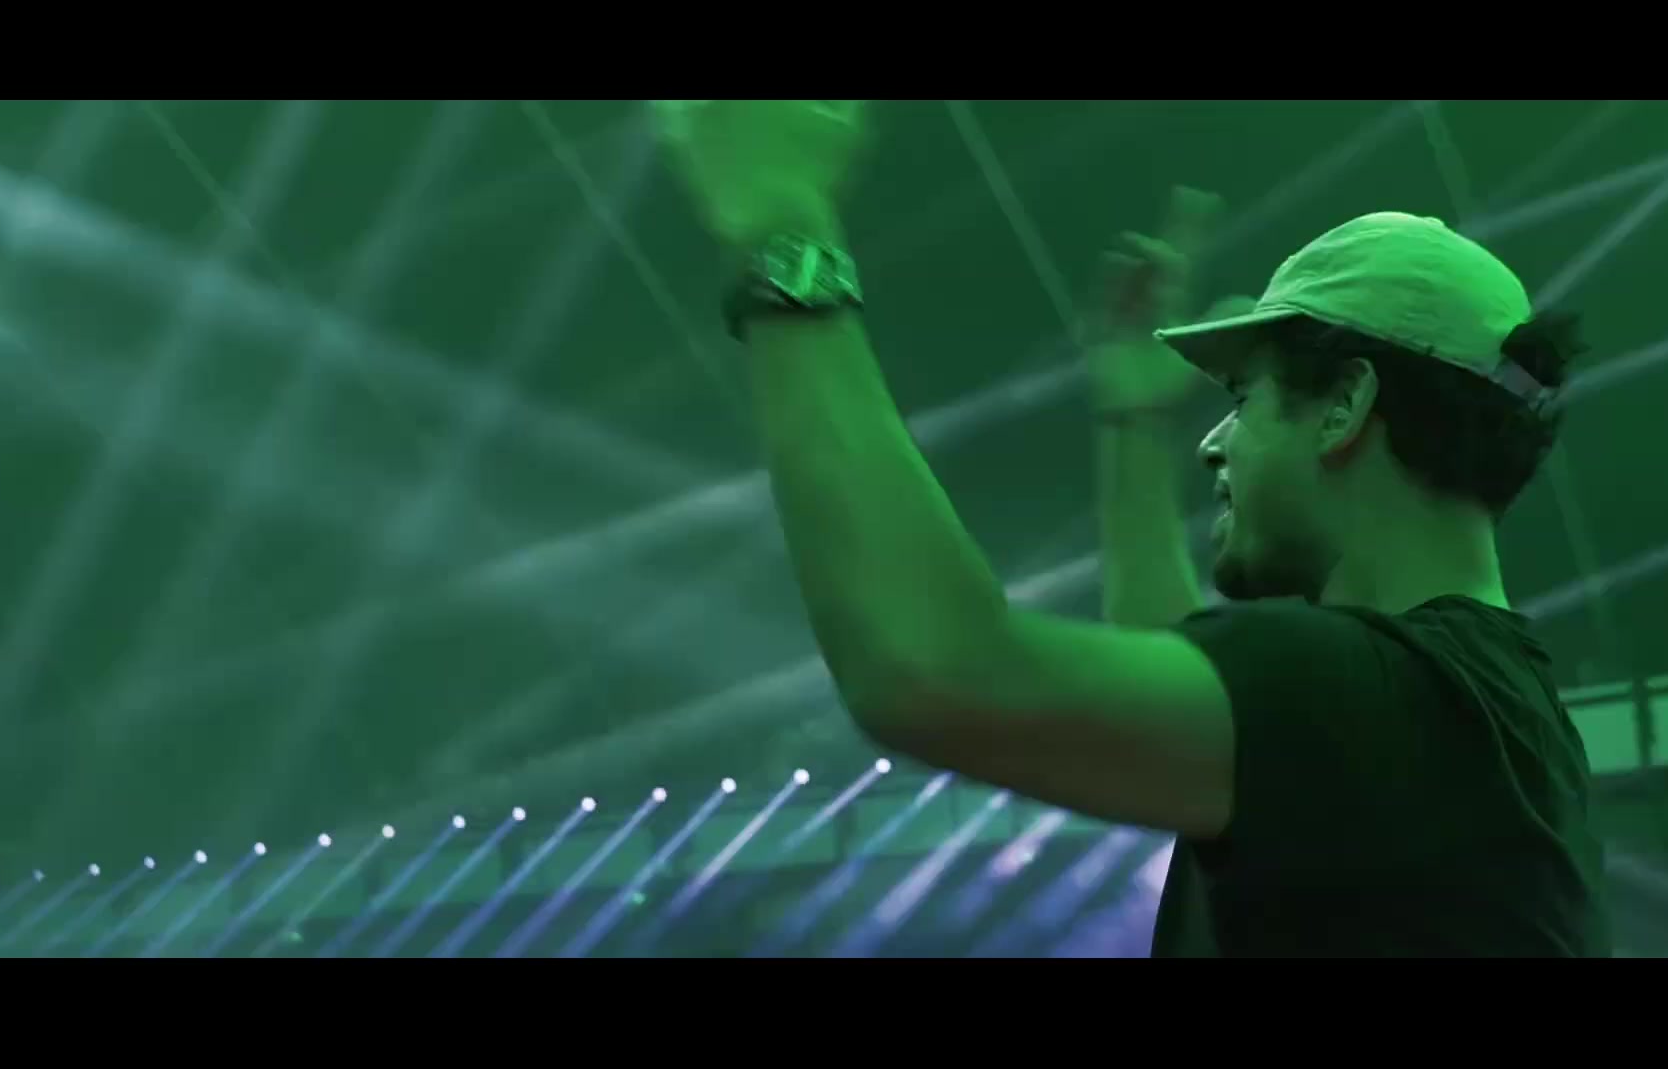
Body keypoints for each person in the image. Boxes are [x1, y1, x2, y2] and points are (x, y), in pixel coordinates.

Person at [652, 100, 1609, 957]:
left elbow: (931, 667)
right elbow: (1186, 665)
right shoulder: (1473, 711)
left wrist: (786, 228)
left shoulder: (1378, 696)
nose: (1216, 443)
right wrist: (1130, 422)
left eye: (1243, 398)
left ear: (1343, 406)